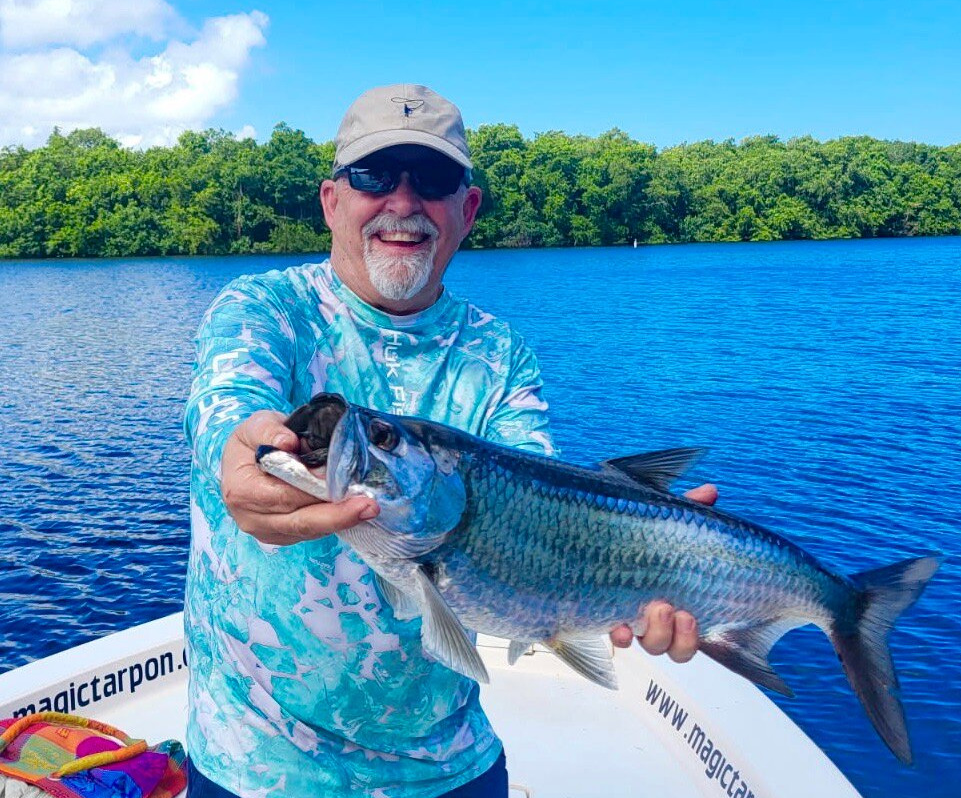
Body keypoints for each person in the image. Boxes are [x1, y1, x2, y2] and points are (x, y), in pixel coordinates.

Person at [183, 83, 715, 798]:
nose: (402, 203)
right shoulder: (262, 309)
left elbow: (539, 501)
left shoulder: (499, 353)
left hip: (448, 765)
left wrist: (642, 561)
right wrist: (235, 454)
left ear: (466, 211)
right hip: (251, 763)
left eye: (431, 180)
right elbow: (229, 404)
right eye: (372, 177)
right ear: (331, 201)